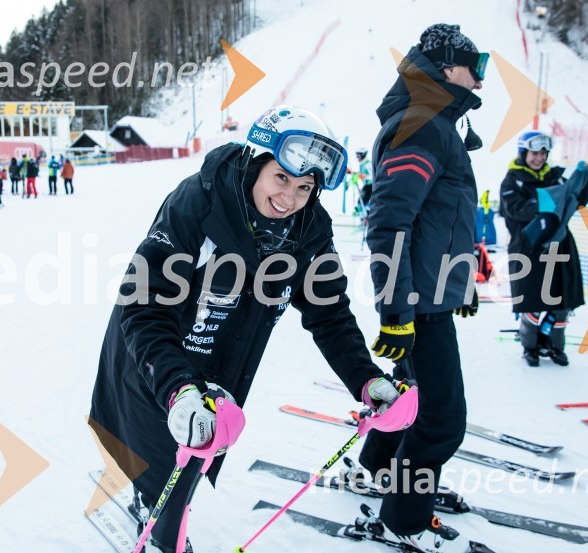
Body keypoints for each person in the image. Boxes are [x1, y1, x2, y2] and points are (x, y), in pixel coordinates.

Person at [90, 106, 401, 553]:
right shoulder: (198, 203)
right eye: (281, 178)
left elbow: (329, 313)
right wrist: (178, 388)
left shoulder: (309, 232)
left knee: (198, 452)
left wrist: (366, 379)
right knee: (161, 453)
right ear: (259, 162)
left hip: (222, 362)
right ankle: (152, 510)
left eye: (304, 188)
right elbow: (145, 300)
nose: (289, 197)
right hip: (157, 352)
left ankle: (162, 505)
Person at [358, 24, 489, 552]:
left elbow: (441, 220)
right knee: (441, 422)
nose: (480, 78)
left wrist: (462, 283)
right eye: (473, 65)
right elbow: (389, 223)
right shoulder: (422, 125)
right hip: (416, 305)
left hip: (429, 297)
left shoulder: (435, 122)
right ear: (446, 66)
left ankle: (380, 470)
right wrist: (395, 311)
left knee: (411, 401)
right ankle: (405, 520)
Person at [500, 131, 588, 367]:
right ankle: (530, 347)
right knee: (532, 302)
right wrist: (544, 201)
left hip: (560, 245)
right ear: (523, 153)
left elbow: (578, 200)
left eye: (542, 153)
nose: (538, 158)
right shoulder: (512, 180)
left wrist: (581, 180)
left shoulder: (557, 177)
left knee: (560, 302)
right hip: (528, 247)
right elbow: (515, 210)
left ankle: (555, 346)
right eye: (533, 153)